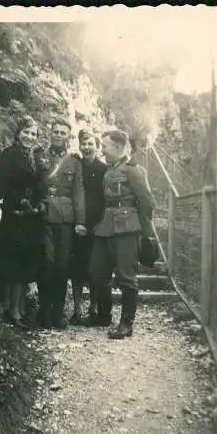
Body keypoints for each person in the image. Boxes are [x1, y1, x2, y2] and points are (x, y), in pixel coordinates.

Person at [89, 129, 157, 339]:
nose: (102, 150)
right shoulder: (110, 169)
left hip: (127, 227)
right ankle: (104, 315)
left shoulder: (133, 170)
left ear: (118, 147)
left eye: (105, 146)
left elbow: (146, 202)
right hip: (106, 226)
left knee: (126, 276)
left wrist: (146, 232)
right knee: (96, 272)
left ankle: (127, 324)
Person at [0, 115, 45, 328]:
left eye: (33, 134)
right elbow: (4, 183)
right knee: (13, 262)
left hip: (32, 218)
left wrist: (39, 204)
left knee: (24, 263)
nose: (30, 137)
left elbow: (40, 186)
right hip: (15, 215)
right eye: (26, 132)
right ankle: (12, 311)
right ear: (18, 133)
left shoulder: (36, 158)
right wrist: (18, 200)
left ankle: (19, 309)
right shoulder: (8, 154)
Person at [36, 118, 86, 329]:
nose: (58, 135)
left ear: (68, 137)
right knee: (46, 263)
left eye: (62, 133)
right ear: (50, 133)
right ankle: (44, 311)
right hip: (44, 216)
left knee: (62, 265)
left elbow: (78, 192)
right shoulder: (39, 156)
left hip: (66, 219)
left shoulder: (74, 162)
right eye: (55, 131)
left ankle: (58, 313)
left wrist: (81, 220)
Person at [69, 129, 108, 326]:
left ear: (97, 147)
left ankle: (93, 308)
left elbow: (106, 198)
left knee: (94, 269)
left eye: (90, 143)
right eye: (83, 143)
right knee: (76, 269)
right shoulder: (75, 165)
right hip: (76, 224)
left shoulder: (103, 169)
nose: (87, 147)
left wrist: (99, 223)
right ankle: (76, 310)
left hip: (96, 225)